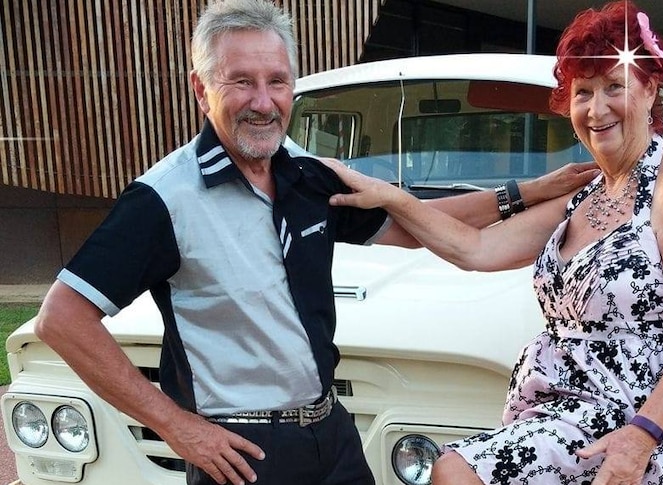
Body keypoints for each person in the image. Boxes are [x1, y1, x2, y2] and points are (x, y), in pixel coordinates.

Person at [32, 1, 597, 484]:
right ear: (201, 89)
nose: (263, 100)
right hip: (244, 455)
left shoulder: (305, 174)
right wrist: (177, 428)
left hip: (332, 432)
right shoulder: (163, 199)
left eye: (277, 81)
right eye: (241, 81)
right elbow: (62, 317)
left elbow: (411, 223)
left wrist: (529, 191)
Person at [325, 1, 663, 484]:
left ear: (650, 90)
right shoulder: (585, 194)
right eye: (583, 92)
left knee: (455, 472)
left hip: (642, 413)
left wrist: (642, 434)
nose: (597, 108)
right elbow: (474, 249)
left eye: (615, 86)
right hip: (565, 408)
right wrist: (386, 195)